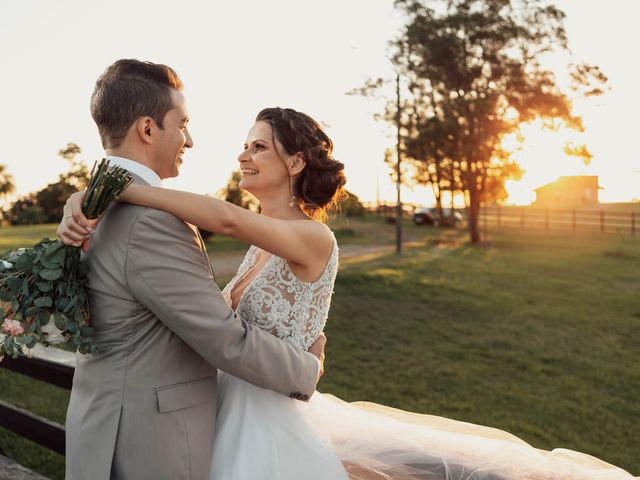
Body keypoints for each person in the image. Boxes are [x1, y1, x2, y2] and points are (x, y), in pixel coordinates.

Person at [59, 105, 639, 480]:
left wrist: (125, 190)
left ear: (295, 161)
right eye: (246, 144)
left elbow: (227, 220)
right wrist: (82, 201)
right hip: (227, 409)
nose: (243, 154)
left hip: (267, 419)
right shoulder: (264, 246)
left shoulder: (311, 237)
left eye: (258, 146)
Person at [56, 60, 327, 480]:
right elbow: (222, 336)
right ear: (148, 130)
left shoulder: (98, 209)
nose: (190, 139)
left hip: (122, 422)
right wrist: (307, 369)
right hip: (147, 442)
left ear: (296, 163)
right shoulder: (145, 220)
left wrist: (97, 190)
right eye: (182, 124)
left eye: (259, 147)